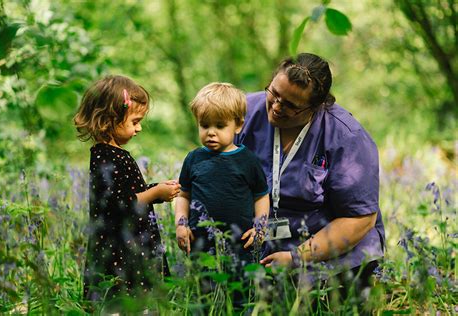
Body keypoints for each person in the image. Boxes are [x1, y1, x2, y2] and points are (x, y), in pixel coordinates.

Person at [235, 53, 385, 298]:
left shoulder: (348, 138)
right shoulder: (243, 112)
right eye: (273, 93)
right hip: (260, 238)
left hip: (327, 245)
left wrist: (297, 257)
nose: (276, 107)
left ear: (317, 107)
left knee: (316, 299)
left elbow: (360, 219)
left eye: (291, 105)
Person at [73, 75, 181, 308]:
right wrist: (154, 194)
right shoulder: (103, 157)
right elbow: (117, 205)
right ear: (110, 119)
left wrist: (158, 190)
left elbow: (129, 194)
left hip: (133, 247)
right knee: (122, 304)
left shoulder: (116, 154)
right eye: (135, 121)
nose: (139, 128)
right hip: (119, 253)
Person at [175, 82, 270, 264]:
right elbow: (183, 195)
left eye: (220, 126)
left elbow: (261, 196)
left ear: (238, 126)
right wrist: (181, 224)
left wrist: (260, 227)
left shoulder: (247, 160)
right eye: (204, 125)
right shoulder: (194, 159)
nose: (211, 132)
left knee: (239, 289)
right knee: (204, 290)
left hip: (240, 244)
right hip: (201, 244)